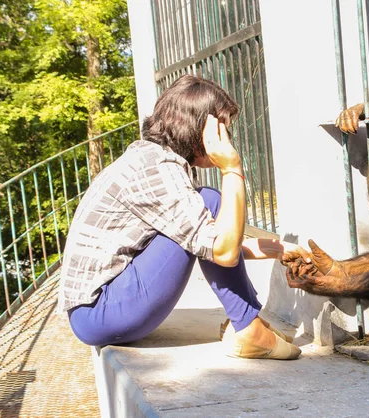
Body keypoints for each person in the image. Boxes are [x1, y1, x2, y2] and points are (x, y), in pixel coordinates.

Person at [57, 74, 307, 360]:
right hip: (102, 312)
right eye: (222, 130)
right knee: (211, 200)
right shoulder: (157, 169)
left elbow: (202, 240)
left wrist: (277, 249)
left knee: (207, 204)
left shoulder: (153, 160)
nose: (227, 139)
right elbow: (222, 251)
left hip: (100, 310)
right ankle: (249, 328)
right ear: (199, 128)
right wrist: (231, 168)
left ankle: (249, 323)